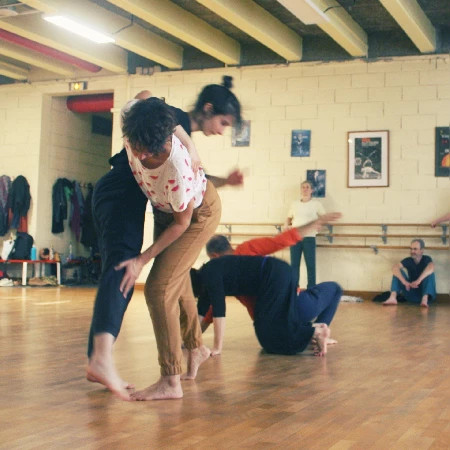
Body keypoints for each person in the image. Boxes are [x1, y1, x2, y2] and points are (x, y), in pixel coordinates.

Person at [86, 77, 243, 401]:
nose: (139, 157)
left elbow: (183, 223)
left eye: (148, 153)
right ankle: (196, 348)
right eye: (135, 148)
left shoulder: (178, 169)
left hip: (194, 217)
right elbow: (147, 98)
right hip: (166, 210)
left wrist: (142, 258)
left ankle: (170, 380)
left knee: (158, 288)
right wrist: (192, 145)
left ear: (163, 143)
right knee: (177, 279)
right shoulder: (139, 119)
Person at [199, 213, 342, 354]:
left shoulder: (223, 276)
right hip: (297, 308)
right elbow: (282, 240)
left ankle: (314, 333)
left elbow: (210, 313)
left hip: (270, 326)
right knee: (335, 288)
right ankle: (319, 331)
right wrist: (315, 223)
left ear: (215, 256)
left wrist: (193, 340)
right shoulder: (246, 249)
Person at [192, 254, 342, 357]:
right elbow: (201, 314)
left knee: (269, 328)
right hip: (275, 275)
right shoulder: (206, 278)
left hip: (275, 274)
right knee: (266, 337)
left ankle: (315, 332)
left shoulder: (210, 275)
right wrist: (190, 341)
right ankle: (313, 332)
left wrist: (217, 348)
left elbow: (219, 312)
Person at [286, 180, 325, 288]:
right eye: (303, 187)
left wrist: (319, 225)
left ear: (311, 190)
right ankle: (294, 288)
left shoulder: (316, 204)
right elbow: (289, 218)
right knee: (294, 265)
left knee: (310, 265)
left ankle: (311, 289)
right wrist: (286, 226)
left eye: (307, 187)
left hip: (309, 237)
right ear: (300, 190)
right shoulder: (294, 204)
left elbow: (323, 217)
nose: (305, 189)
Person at [383, 239, 436, 308]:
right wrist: (404, 282)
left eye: (415, 249)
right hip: (410, 293)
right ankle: (392, 297)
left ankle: (424, 299)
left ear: (422, 250)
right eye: (411, 249)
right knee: (397, 272)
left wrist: (418, 281)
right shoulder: (408, 260)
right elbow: (395, 268)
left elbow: (431, 267)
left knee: (430, 273)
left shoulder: (427, 259)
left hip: (425, 295)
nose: (412, 251)